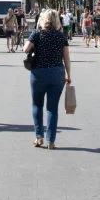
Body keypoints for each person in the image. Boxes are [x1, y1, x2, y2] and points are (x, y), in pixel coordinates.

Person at [25, 9, 72, 149]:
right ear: (57, 20)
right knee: (52, 108)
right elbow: (67, 58)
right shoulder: (61, 36)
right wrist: (69, 75)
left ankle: (39, 137)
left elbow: (25, 49)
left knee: (37, 105)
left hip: (38, 73)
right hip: (57, 73)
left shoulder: (37, 34)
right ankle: (51, 141)